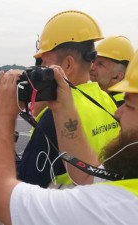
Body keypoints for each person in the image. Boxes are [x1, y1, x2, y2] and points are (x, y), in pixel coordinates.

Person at [0, 23, 138, 225]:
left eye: (130, 105)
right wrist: (62, 106)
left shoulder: (120, 210)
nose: (118, 111)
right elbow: (89, 174)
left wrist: (5, 115)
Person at [17, 10, 120, 187]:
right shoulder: (105, 99)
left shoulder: (57, 116)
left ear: (68, 65)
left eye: (44, 63)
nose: (40, 70)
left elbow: (24, 183)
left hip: (61, 210)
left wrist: (2, 141)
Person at [90, 35, 134, 106]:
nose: (92, 67)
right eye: (93, 61)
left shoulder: (121, 107)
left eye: (100, 64)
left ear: (117, 76)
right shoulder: (97, 99)